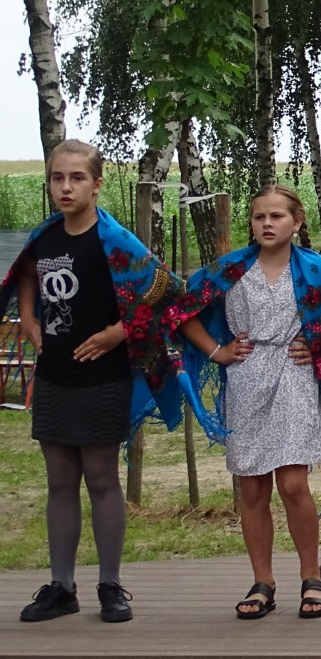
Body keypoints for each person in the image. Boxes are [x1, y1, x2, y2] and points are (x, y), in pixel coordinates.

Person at [170, 184, 321, 620]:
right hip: (246, 376)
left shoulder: (317, 271)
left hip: (294, 376)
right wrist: (217, 351)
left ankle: (312, 576)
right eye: (259, 217)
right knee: (252, 486)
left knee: (292, 483)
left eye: (277, 216)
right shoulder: (230, 269)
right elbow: (180, 310)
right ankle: (262, 582)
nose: (267, 223)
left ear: (297, 221)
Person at [5, 140, 183, 625]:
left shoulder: (115, 240)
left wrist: (117, 334)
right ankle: (62, 587)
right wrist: (28, 317)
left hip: (102, 378)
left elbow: (164, 293)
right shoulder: (44, 237)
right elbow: (26, 274)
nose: (66, 187)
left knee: (102, 480)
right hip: (54, 377)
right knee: (59, 482)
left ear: (97, 184)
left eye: (77, 178)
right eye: (57, 178)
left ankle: (110, 584)